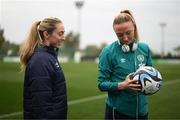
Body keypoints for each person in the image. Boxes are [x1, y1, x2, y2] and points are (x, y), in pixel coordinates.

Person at [98, 9, 152, 120]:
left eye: (128, 33)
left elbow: (150, 75)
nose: (125, 38)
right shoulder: (108, 52)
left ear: (134, 28)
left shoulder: (144, 49)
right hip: (118, 112)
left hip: (142, 112)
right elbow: (101, 84)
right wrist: (122, 85)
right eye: (119, 35)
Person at [20, 17, 67, 119]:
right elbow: (41, 106)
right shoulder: (40, 61)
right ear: (46, 34)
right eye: (60, 33)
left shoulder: (49, 56)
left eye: (64, 33)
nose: (64, 37)